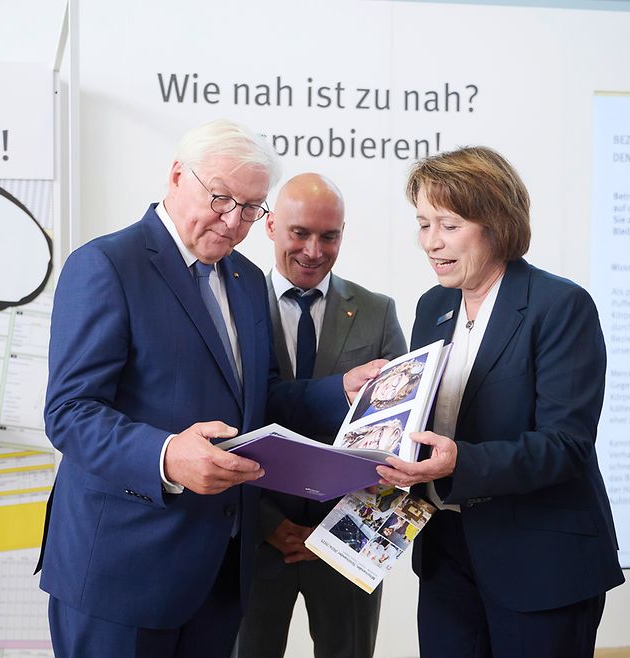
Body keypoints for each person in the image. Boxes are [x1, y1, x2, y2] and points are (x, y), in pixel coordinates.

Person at [38, 120, 380, 658]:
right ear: (177, 176)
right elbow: (70, 412)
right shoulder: (106, 265)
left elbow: (260, 399)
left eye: (251, 208)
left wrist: (341, 390)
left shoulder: (245, 279)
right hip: (121, 571)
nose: (233, 221)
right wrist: (167, 455)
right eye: (221, 199)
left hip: (219, 576)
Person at [377, 146, 624, 658]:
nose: (431, 242)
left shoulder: (560, 305)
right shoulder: (432, 305)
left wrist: (461, 462)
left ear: (496, 223)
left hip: (540, 560)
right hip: (447, 553)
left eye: (449, 225)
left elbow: (566, 445)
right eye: (423, 224)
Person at [235, 173, 406, 658]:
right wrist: (268, 523)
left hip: (347, 541)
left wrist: (334, 531)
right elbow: (224, 418)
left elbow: (399, 434)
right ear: (270, 225)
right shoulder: (234, 304)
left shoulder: (376, 311)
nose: (314, 251)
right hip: (254, 537)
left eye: (329, 236)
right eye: (300, 233)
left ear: (343, 233)